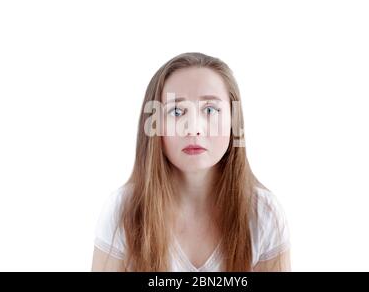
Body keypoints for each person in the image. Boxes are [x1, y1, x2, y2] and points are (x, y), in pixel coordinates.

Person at [91, 52, 291, 271]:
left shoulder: (264, 214)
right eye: (176, 111)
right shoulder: (122, 211)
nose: (194, 128)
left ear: (233, 122)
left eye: (210, 110)